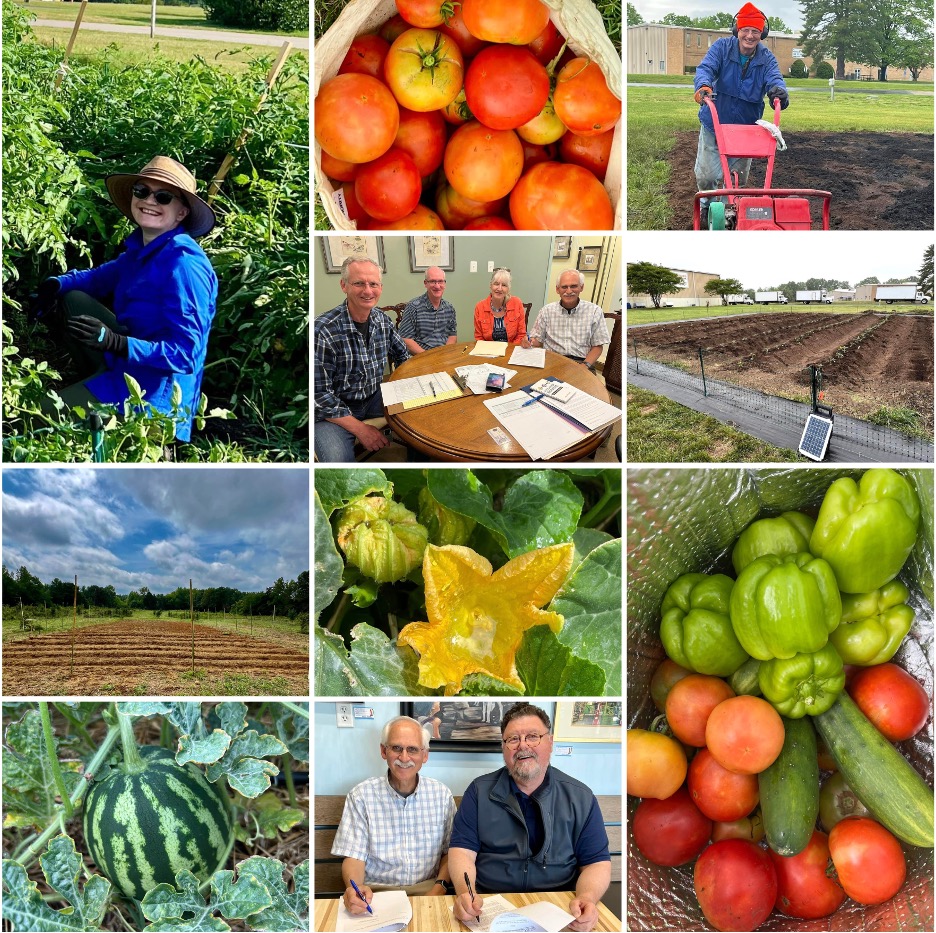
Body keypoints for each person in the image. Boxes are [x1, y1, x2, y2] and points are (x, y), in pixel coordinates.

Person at [30, 155, 218, 442]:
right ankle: (96, 381)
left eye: (164, 197)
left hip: (155, 399)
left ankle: (140, 433)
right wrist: (54, 284)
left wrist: (115, 342)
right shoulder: (142, 250)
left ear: (181, 213)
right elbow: (98, 278)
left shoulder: (184, 265)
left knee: (34, 418)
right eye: (142, 191)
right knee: (73, 299)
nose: (150, 201)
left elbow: (185, 355)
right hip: (129, 365)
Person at [449, 703, 611, 933]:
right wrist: (466, 893)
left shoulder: (581, 797)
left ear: (550, 742)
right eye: (513, 739)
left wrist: (587, 897)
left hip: (560, 907)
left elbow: (596, 862)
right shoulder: (478, 792)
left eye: (533, 736)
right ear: (504, 748)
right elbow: (462, 851)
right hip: (489, 907)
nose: (523, 745)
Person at [331, 716, 457, 914]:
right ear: (384, 751)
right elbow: (354, 856)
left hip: (428, 891)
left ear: (425, 755)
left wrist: (439, 887)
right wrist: (355, 890)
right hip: (375, 894)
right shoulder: (361, 796)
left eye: (413, 749)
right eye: (396, 748)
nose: (404, 758)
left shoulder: (441, 795)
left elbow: (450, 852)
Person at [693, 3, 789, 220]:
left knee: (737, 179)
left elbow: (775, 78)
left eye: (755, 31)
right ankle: (708, 205)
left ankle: (731, 214)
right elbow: (706, 68)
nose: (749, 35)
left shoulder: (767, 59)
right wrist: (704, 85)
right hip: (715, 122)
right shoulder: (721, 49)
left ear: (762, 33)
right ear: (737, 30)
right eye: (745, 29)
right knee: (707, 176)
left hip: (746, 127)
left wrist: (778, 92)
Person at [314, 257, 409, 461]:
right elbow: (320, 395)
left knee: (423, 418)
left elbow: (403, 356)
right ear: (344, 285)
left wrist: (411, 384)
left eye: (373, 284)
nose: (367, 291)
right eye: (359, 283)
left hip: (374, 396)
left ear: (380, 287)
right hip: (333, 413)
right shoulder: (322, 330)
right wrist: (361, 430)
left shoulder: (382, 320)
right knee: (337, 463)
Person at [524, 271, 609, 371]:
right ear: (557, 289)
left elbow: (598, 346)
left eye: (573, 286)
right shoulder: (546, 311)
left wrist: (584, 366)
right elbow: (537, 340)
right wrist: (528, 341)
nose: (569, 291)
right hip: (551, 362)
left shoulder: (595, 311)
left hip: (582, 363)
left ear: (581, 287)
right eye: (564, 287)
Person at [398, 266, 457, 354]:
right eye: (433, 281)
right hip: (421, 357)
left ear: (445, 284)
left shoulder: (449, 308)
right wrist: (428, 357)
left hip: (444, 356)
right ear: (425, 283)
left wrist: (446, 353)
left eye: (440, 281)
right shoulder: (413, 307)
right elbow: (405, 338)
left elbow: (452, 335)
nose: (437, 286)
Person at [474, 267, 527, 344]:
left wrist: (509, 350)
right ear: (491, 286)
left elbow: (521, 335)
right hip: (488, 351)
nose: (499, 288)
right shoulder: (480, 307)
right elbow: (479, 337)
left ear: (508, 289)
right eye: (496, 284)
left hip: (511, 349)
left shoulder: (517, 303)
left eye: (504, 285)